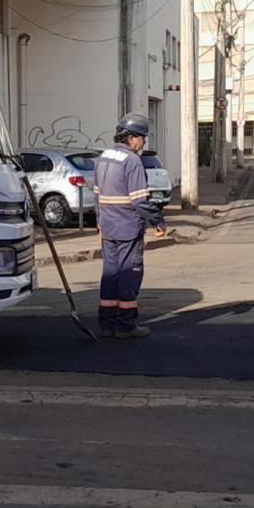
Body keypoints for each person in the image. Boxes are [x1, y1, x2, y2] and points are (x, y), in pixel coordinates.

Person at [93, 113, 167, 339]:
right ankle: (126, 326)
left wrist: (99, 225)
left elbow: (97, 196)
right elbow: (140, 201)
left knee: (110, 275)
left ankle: (107, 325)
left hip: (108, 227)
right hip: (127, 227)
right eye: (142, 138)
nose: (143, 142)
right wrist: (157, 220)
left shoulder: (103, 157)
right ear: (132, 137)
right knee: (129, 275)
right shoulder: (132, 161)